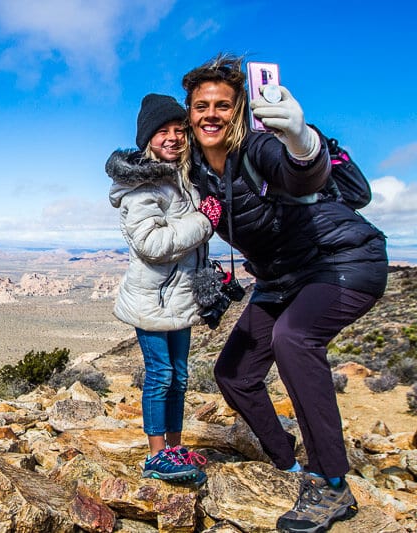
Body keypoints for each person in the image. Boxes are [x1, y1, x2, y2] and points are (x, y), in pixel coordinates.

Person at [181, 54, 388, 532]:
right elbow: (155, 156)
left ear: (239, 111)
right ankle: (287, 466)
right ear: (189, 113)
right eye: (201, 105)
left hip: (343, 261)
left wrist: (300, 139)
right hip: (281, 277)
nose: (211, 113)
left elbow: (303, 174)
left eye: (223, 105)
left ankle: (331, 483)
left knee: (294, 339)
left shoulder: (259, 147)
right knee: (233, 374)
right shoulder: (197, 170)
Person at [105, 93, 214, 483]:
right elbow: (152, 245)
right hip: (152, 301)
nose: (172, 138)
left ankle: (174, 446)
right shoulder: (142, 188)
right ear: (147, 139)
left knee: (181, 376)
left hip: (179, 298)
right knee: (161, 375)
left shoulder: (182, 181)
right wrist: (205, 222)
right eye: (161, 132)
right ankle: (156, 457)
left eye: (179, 130)